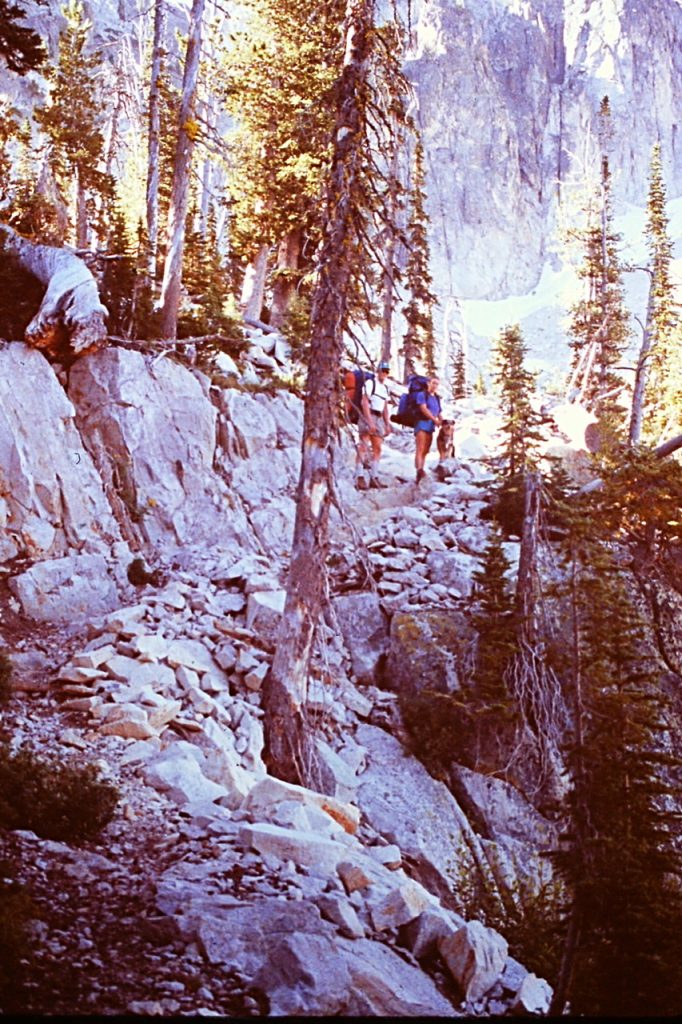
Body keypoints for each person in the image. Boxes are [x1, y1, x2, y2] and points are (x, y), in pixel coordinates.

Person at [355, 360, 392, 489]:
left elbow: (385, 407)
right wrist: (369, 421)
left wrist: (387, 424)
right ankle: (359, 477)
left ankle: (374, 477)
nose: (384, 373)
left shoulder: (385, 388)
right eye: (383, 371)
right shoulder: (370, 383)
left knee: (377, 448)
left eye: (386, 371)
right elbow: (364, 401)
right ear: (378, 371)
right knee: (363, 446)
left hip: (379, 417)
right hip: (368, 415)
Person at [413, 374, 442, 484]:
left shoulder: (437, 398)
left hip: (431, 426)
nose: (435, 386)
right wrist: (435, 420)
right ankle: (419, 471)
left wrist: (442, 422)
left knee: (426, 450)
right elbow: (423, 409)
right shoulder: (422, 395)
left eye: (437, 384)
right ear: (428, 383)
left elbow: (438, 412)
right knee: (420, 448)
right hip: (421, 423)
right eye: (433, 383)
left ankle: (421, 469)